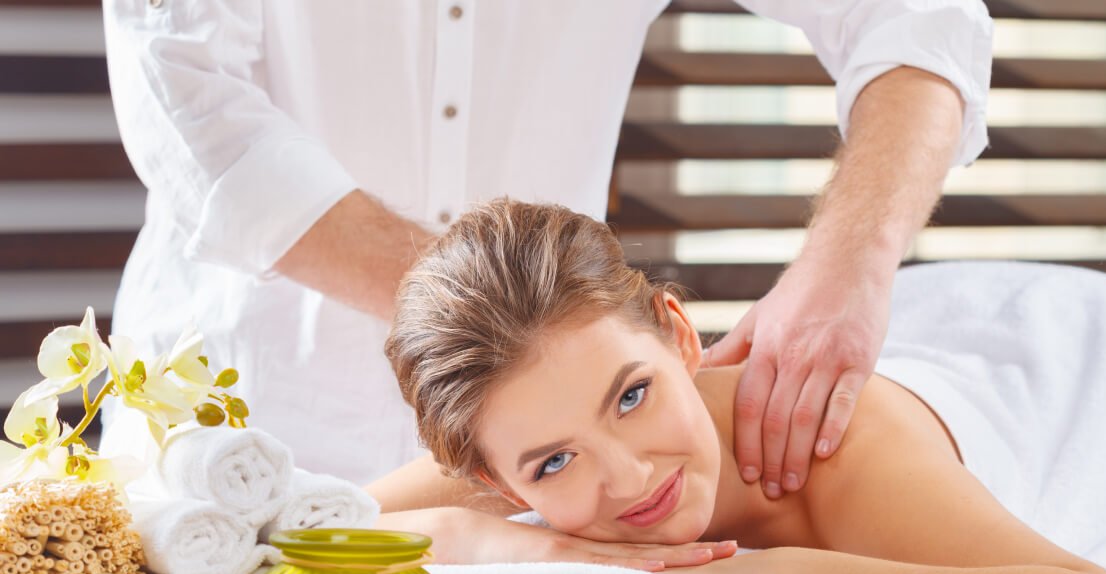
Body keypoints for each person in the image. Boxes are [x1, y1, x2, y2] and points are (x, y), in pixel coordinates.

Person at [368, 199, 1106, 574]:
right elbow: (309, 530)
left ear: (679, 334)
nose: (630, 476)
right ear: (489, 479)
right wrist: (500, 541)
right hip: (959, 330)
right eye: (551, 467)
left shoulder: (840, 454)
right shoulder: (519, 418)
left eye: (633, 396)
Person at [100, 0, 992, 491]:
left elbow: (921, 15)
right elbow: (188, 106)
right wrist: (508, 326)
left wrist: (847, 267)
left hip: (559, 483)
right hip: (240, 434)